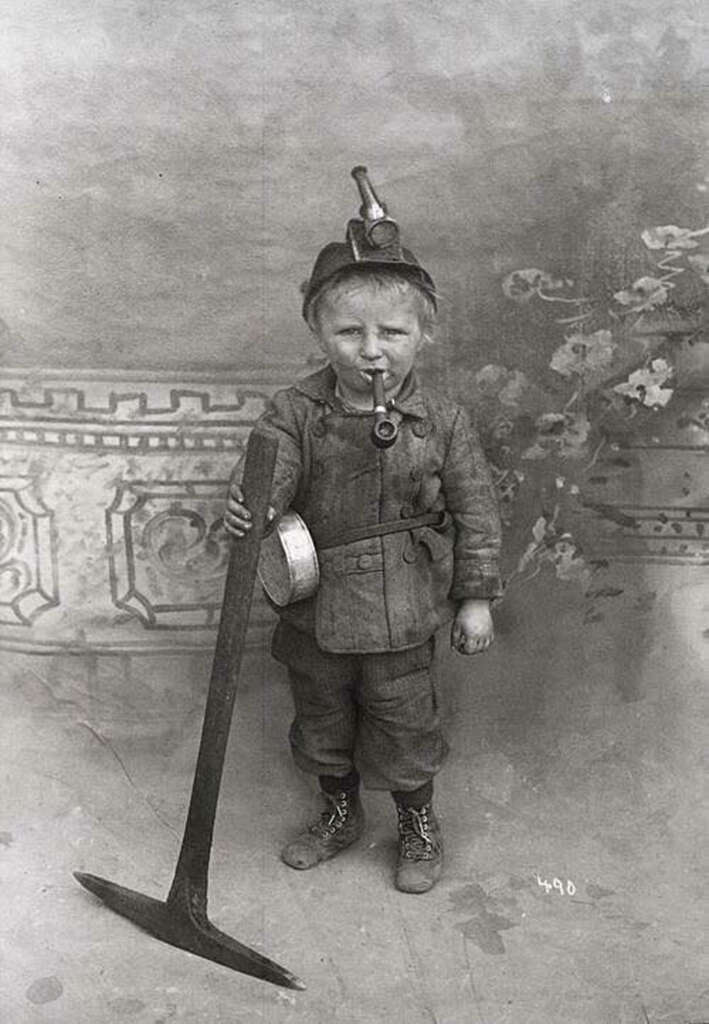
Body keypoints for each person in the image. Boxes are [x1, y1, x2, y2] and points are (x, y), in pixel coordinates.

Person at [224, 171, 502, 894]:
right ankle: (338, 813)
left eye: (392, 332)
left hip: (403, 606)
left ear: (425, 334)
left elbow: (476, 511)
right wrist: (249, 509)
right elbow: (269, 483)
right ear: (318, 332)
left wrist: (475, 599)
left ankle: (416, 822)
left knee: (404, 722)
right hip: (313, 608)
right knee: (321, 721)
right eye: (348, 332)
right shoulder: (293, 411)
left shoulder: (442, 421)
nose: (370, 351)